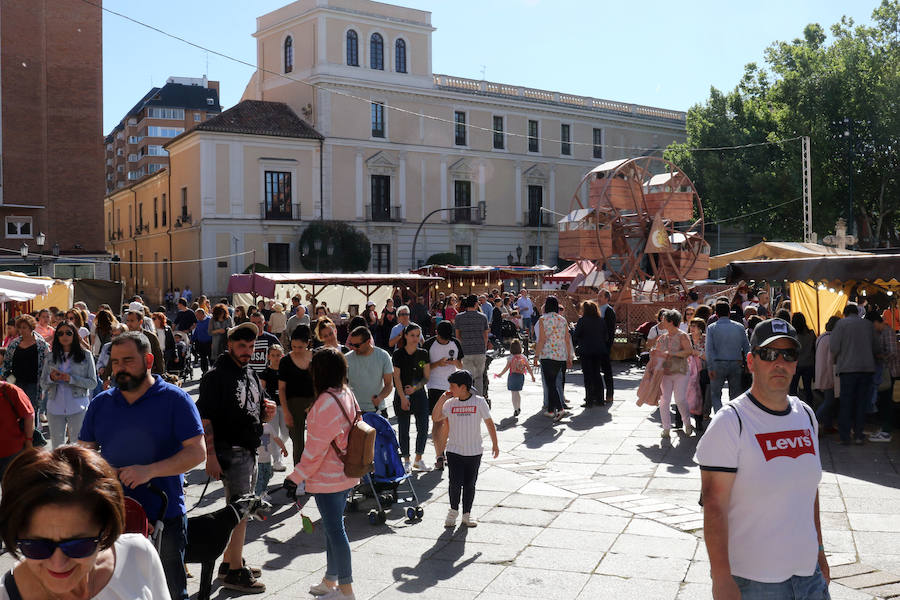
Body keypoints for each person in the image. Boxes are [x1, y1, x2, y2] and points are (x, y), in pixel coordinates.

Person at [695, 317, 829, 599]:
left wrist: (820, 553)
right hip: (754, 581)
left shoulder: (805, 414)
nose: (779, 362)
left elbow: (809, 493)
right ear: (751, 361)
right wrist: (721, 579)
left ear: (796, 362)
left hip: (808, 576)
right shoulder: (731, 422)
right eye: (768, 354)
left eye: (788, 354)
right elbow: (714, 507)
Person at [79, 330, 205, 600]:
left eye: (127, 361)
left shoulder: (175, 400)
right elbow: (84, 452)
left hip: (164, 513)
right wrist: (102, 470)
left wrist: (149, 471)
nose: (119, 368)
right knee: (113, 590)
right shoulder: (101, 403)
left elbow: (197, 453)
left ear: (148, 360)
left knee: (170, 591)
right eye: (115, 362)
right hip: (111, 514)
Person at [0, 446, 170, 599]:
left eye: (78, 546)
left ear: (106, 531)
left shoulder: (138, 554)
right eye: (36, 547)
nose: (58, 563)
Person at [197, 322, 276, 594]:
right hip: (229, 450)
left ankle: (232, 560)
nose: (247, 351)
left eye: (251, 346)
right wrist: (210, 456)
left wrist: (269, 409)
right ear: (229, 344)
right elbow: (204, 417)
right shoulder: (215, 376)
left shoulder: (250, 373)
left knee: (239, 510)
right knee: (240, 511)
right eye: (242, 346)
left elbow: (258, 408)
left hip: (249, 448)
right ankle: (233, 572)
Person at [285, 348, 360, 600]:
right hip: (345, 473)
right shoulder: (346, 393)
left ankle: (346, 589)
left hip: (328, 477)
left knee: (335, 530)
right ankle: (330, 580)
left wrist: (294, 477)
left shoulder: (323, 403)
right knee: (332, 529)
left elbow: (314, 450)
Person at [432, 369, 499, 529]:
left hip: (474, 451)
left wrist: (495, 444)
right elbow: (435, 417)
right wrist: (442, 398)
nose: (449, 389)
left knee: (470, 484)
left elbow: (489, 423)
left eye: (452, 386)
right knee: (454, 483)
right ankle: (453, 512)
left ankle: (467, 515)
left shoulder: (479, 401)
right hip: (454, 451)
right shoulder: (450, 403)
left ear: (463, 387)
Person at [42, 322, 98, 449]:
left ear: (75, 335)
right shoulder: (50, 357)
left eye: (68, 333)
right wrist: (51, 378)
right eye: (60, 333)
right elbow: (43, 384)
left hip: (78, 405)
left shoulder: (86, 355)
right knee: (57, 446)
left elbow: (93, 383)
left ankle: (76, 469)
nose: (64, 336)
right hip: (54, 406)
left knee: (77, 447)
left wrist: (71, 379)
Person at [830, 302, 879, 445]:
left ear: (845, 313)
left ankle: (845, 436)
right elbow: (876, 347)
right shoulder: (868, 325)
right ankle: (858, 435)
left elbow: (833, 347)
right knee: (861, 403)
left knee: (846, 404)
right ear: (857, 313)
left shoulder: (841, 325)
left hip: (847, 369)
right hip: (866, 369)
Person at [423, 321, 464, 470]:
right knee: (437, 421)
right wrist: (436, 364)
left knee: (449, 422)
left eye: (448, 339)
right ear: (436, 334)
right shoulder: (428, 345)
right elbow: (422, 366)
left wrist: (455, 362)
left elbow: (461, 364)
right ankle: (439, 455)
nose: (446, 342)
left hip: (452, 387)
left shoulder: (455, 343)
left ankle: (446, 451)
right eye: (443, 339)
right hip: (434, 386)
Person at [392, 323, 431, 472]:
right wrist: (403, 397)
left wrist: (415, 388)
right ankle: (406, 459)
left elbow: (426, 377)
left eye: (417, 335)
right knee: (404, 427)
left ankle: (418, 459)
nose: (415, 338)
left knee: (423, 426)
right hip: (402, 393)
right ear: (406, 336)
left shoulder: (423, 353)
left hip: (419, 393)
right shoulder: (398, 354)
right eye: (412, 335)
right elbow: (396, 377)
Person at [651, 310, 694, 438]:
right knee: (664, 400)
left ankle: (687, 422)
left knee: (680, 399)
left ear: (670, 321)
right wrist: (654, 352)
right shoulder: (662, 337)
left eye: (663, 319)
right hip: (665, 372)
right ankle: (666, 428)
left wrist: (672, 353)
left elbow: (689, 351)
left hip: (681, 371)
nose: (661, 321)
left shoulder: (682, 336)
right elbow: (658, 352)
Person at [279, 325, 315, 468]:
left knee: (316, 441)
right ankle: (299, 477)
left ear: (308, 343)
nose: (296, 350)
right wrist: (286, 412)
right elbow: (281, 389)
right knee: (298, 443)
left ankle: (315, 474)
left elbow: (321, 383)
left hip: (315, 402)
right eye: (293, 346)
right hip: (293, 404)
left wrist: (316, 403)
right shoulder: (285, 361)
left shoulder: (316, 356)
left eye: (300, 347)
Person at [533, 295, 574, 421]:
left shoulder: (542, 319)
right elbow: (567, 340)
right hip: (560, 355)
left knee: (550, 384)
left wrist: (536, 355)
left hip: (547, 354)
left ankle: (560, 409)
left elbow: (542, 340)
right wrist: (569, 357)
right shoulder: (562, 320)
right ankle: (551, 410)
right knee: (554, 382)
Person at [705, 302, 751, 413]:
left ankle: (719, 416)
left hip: (717, 363)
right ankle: (734, 416)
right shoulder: (739, 327)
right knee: (735, 395)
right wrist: (749, 364)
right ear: (729, 313)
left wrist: (710, 367)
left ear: (716, 314)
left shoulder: (711, 328)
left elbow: (709, 350)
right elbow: (746, 347)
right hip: (736, 363)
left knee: (716, 394)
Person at [1, 315, 50, 415]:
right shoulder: (14, 344)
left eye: (24, 327)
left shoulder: (41, 345)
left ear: (31, 327)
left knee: (31, 411)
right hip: (16, 382)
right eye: (20, 327)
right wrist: (7, 379)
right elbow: (6, 363)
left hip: (34, 384)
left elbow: (48, 364)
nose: (21, 330)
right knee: (16, 411)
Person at [345, 326, 394, 415]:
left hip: (377, 409)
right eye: (351, 344)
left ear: (368, 342)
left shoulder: (383, 356)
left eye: (357, 345)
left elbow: (389, 384)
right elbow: (342, 385)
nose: (354, 348)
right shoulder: (347, 359)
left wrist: (380, 398)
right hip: (355, 411)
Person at [572, 300, 610, 408]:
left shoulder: (582, 320)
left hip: (586, 350)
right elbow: (606, 337)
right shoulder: (601, 321)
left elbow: (576, 335)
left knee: (588, 376)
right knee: (597, 374)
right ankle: (600, 399)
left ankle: (589, 400)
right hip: (598, 350)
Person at [867, 312, 896, 443]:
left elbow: (892, 353)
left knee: (886, 402)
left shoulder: (887, 331)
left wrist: (877, 356)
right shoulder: (880, 333)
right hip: (884, 373)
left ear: (875, 322)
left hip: (890, 372)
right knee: (884, 401)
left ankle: (886, 431)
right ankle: (884, 429)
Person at [259, 344, 288, 472]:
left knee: (286, 433)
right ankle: (277, 461)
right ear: (268, 357)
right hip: (272, 408)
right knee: (274, 433)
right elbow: (262, 391)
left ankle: (276, 449)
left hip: (285, 406)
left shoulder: (286, 371)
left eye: (278, 355)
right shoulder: (265, 373)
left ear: (282, 356)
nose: (276, 358)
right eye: (273, 355)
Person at [0, 381, 35, 486]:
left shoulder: (10, 390)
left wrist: (29, 441)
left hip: (11, 454)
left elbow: (29, 415)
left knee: (12, 493)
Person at [455, 295, 490, 398]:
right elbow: (485, 336)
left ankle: (468, 398)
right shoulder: (483, 317)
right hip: (479, 350)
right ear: (476, 304)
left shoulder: (459, 317)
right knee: (479, 377)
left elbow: (457, 336)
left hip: (465, 350)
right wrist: (483, 347)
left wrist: (464, 343)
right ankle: (478, 399)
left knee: (467, 377)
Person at [493, 339, 534, 417]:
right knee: (517, 392)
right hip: (521, 376)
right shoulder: (524, 357)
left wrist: (500, 374)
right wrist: (532, 376)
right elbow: (528, 367)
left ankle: (515, 408)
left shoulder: (511, 357)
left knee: (513, 393)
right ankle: (519, 407)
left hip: (512, 376)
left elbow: (506, 368)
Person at [788, 312, 817, 407]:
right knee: (808, 388)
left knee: (793, 388)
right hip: (809, 363)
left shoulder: (793, 335)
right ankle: (810, 407)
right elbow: (814, 349)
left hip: (796, 364)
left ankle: (793, 407)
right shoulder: (811, 334)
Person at [124, 310, 165, 375]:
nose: (129, 324)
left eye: (132, 321)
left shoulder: (150, 337)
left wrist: (160, 374)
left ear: (140, 322)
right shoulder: (123, 337)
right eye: (127, 321)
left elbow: (158, 356)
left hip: (147, 375)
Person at [255, 420, 288, 498]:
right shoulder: (253, 427)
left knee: (266, 477)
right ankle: (258, 497)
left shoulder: (268, 427)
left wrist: (283, 448)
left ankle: (263, 493)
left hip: (267, 459)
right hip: (257, 460)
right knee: (259, 479)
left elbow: (276, 438)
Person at [596, 290, 617, 402]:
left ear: (607, 299)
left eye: (601, 296)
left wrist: (607, 347)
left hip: (604, 346)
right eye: (598, 296)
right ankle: (597, 394)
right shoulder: (597, 309)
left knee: (607, 371)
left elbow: (610, 331)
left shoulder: (609, 311)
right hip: (596, 346)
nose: (598, 298)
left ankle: (609, 394)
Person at [192, 308, 213, 374]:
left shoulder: (210, 321)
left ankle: (213, 372)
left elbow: (213, 332)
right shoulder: (198, 322)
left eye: (197, 315)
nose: (196, 317)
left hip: (209, 343)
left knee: (211, 359)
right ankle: (204, 372)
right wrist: (192, 339)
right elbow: (196, 332)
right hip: (201, 343)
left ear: (202, 314)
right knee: (203, 359)